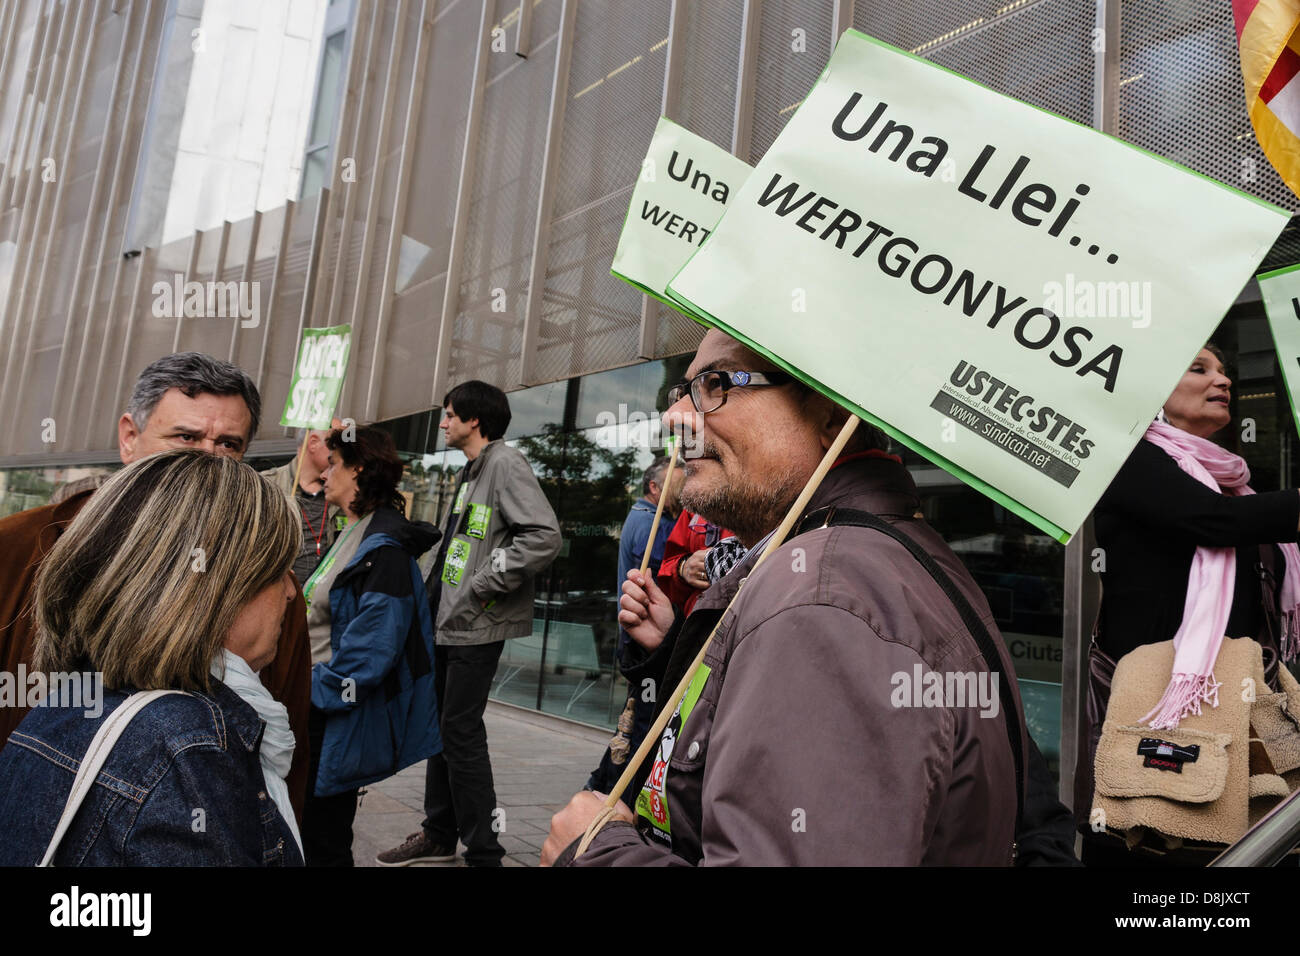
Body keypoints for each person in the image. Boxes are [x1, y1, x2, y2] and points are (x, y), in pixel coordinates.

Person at [541, 329, 1025, 866]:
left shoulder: (826, 602)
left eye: (715, 383)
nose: (677, 416)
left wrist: (593, 856)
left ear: (833, 420)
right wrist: (672, 646)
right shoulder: (851, 564)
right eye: (683, 389)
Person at [0, 352, 314, 822]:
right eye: (185, 437)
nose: (208, 459)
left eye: (229, 444)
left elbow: (287, 738)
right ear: (130, 436)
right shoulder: (20, 546)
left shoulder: (271, 587)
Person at [1075, 344, 1300, 863]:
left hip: (1235, 704)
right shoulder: (1127, 458)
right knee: (1150, 839)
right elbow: (1210, 522)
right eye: (1199, 369)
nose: (1221, 381)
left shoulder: (1234, 485)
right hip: (1157, 706)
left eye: (1225, 372)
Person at [377, 380, 561, 867]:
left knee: (459, 733)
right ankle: (439, 834)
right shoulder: (474, 470)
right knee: (442, 730)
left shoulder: (505, 463)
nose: (442, 422)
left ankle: (485, 852)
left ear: (474, 419)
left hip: (476, 625)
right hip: (447, 624)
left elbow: (543, 536)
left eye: (450, 414)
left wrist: (481, 584)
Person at [301, 425, 441, 866]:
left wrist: (308, 694)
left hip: (329, 714)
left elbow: (370, 655)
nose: (325, 474)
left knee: (323, 838)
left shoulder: (384, 550)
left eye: (334, 464)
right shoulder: (353, 531)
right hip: (315, 708)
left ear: (359, 469)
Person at [585, 455, 681, 803]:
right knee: (639, 727)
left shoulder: (643, 518)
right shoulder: (649, 524)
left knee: (630, 726)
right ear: (655, 487)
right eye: (678, 485)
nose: (683, 493)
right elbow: (661, 573)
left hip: (644, 640)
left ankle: (599, 792)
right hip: (646, 644)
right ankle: (613, 799)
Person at [263, 428, 342, 585]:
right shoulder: (266, 485)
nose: (344, 451)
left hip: (321, 602)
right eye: (335, 443)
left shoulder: (341, 490)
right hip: (276, 596)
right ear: (312, 443)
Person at [657, 509, 740, 616]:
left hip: (742, 621)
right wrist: (683, 568)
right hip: (694, 620)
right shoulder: (697, 503)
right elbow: (667, 570)